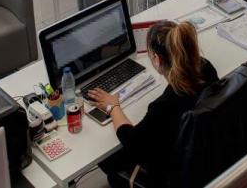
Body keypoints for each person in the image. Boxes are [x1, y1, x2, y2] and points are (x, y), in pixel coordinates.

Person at [88, 20, 218, 186]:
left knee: (107, 158)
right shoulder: (206, 68)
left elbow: (133, 142)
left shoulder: (164, 106)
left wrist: (113, 107)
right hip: (204, 156)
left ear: (156, 59)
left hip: (169, 172)